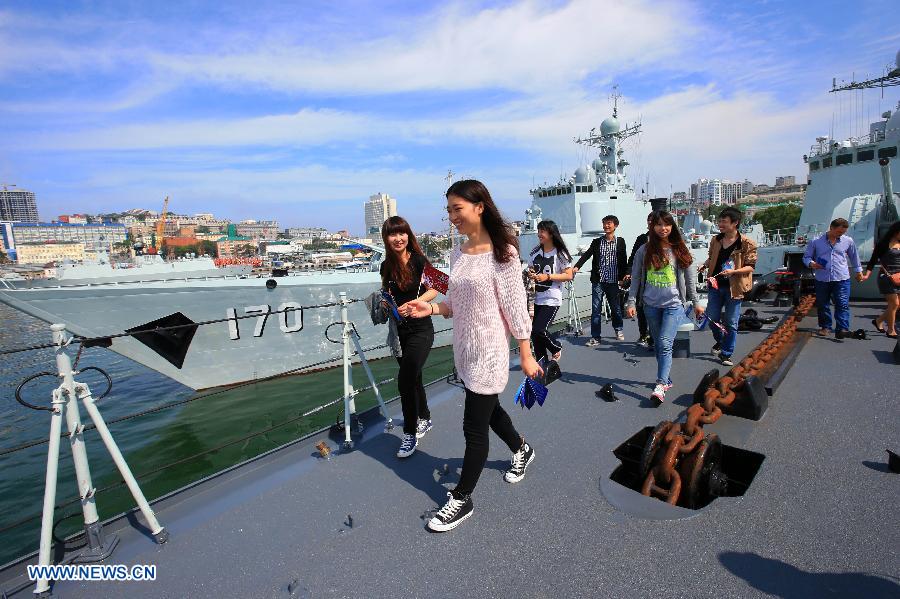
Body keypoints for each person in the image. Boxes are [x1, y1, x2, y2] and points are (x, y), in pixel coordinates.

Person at [407, 179, 543, 533]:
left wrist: (526, 354)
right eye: (449, 210)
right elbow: (457, 303)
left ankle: (462, 497)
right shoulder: (458, 253)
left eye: (458, 208)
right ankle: (522, 449)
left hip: (490, 350)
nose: (452, 216)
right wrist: (431, 309)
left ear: (479, 206)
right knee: (490, 408)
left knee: (473, 425)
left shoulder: (505, 254)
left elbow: (515, 310)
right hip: (464, 349)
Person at [625, 210, 702, 405]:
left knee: (666, 343)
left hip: (674, 305)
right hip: (650, 305)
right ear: (652, 227)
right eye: (658, 224)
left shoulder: (679, 249)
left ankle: (660, 384)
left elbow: (690, 280)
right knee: (659, 344)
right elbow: (636, 278)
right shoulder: (644, 250)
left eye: (666, 224)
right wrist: (632, 301)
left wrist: (696, 302)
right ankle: (666, 379)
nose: (663, 228)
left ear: (672, 226)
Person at [380, 216, 439, 458]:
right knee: (414, 379)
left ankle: (409, 433)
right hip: (400, 331)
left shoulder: (418, 260)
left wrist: (417, 301)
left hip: (421, 330)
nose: (398, 238)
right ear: (386, 238)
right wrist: (385, 302)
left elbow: (437, 288)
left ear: (408, 235)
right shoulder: (386, 266)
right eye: (393, 234)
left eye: (402, 233)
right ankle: (424, 418)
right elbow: (387, 291)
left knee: (405, 380)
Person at [699, 207, 758, 367]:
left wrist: (734, 271)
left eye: (724, 222)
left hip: (735, 287)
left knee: (731, 322)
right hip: (715, 286)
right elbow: (711, 258)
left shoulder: (747, 244)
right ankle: (721, 341)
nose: (720, 224)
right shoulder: (716, 240)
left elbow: (750, 266)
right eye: (719, 221)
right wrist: (704, 265)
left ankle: (726, 353)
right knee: (712, 319)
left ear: (735, 223)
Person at [803, 218, 864, 338]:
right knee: (823, 304)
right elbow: (806, 257)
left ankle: (842, 329)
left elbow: (854, 257)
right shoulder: (815, 241)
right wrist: (811, 264)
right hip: (822, 279)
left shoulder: (848, 241)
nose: (840, 235)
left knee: (842, 304)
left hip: (841, 278)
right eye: (839, 232)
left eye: (843, 233)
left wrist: (858, 271)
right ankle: (826, 327)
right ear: (831, 228)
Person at [573, 215, 628, 346]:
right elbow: (587, 255)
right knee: (596, 309)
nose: (606, 226)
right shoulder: (597, 242)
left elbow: (623, 260)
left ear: (615, 225)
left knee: (615, 308)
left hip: (613, 281)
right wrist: (576, 266)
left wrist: (624, 276)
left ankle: (618, 329)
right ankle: (596, 337)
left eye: (609, 223)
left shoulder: (620, 241)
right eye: (604, 223)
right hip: (598, 280)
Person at [527, 220, 574, 364]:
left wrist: (548, 276)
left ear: (551, 234)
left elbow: (568, 275)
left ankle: (556, 347)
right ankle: (542, 364)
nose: (539, 234)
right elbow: (531, 268)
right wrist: (531, 273)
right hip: (537, 297)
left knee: (540, 330)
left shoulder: (560, 254)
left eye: (543, 231)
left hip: (552, 297)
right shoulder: (535, 252)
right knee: (535, 335)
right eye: (539, 230)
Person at [862, 221, 900, 338]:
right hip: (886, 277)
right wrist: (866, 275)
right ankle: (891, 330)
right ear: (895, 232)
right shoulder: (883, 244)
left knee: (897, 305)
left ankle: (878, 320)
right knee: (894, 304)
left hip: (899, 276)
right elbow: (873, 261)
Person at [627, 213, 654, 349]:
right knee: (641, 308)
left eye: (653, 220)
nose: (650, 223)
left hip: (659, 283)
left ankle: (654, 336)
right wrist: (628, 272)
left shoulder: (667, 241)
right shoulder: (642, 239)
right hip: (643, 280)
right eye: (648, 220)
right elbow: (633, 257)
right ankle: (643, 333)